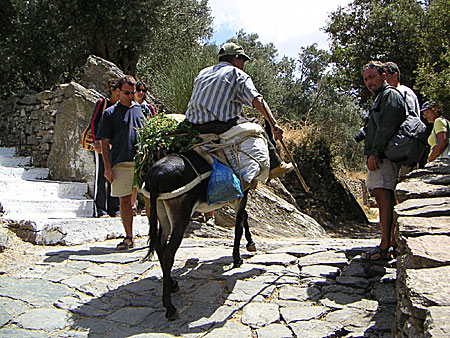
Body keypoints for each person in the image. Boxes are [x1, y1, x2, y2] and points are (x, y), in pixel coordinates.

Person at [185, 42, 293, 180]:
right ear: (236, 58)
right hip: (217, 126)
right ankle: (275, 165)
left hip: (193, 124)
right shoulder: (237, 73)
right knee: (256, 124)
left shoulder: (203, 72)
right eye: (242, 60)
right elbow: (257, 101)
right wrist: (274, 125)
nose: (243, 64)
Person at [97, 75, 150, 249]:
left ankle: (155, 234)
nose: (130, 96)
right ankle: (129, 237)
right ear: (118, 92)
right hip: (121, 162)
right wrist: (107, 167)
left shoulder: (143, 111)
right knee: (125, 201)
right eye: (127, 92)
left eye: (132, 92)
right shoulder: (109, 114)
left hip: (142, 162)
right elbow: (104, 142)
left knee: (150, 198)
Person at [361, 61, 407, 261]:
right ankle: (388, 243)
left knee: (384, 197)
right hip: (383, 155)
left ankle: (385, 245)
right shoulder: (383, 96)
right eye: (366, 79)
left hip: (385, 157)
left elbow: (386, 127)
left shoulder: (389, 96)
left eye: (372, 77)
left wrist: (375, 153)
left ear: (383, 76)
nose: (369, 82)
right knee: (382, 198)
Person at [90, 78, 120, 218]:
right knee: (101, 176)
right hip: (101, 147)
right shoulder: (102, 104)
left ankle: (114, 208)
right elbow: (94, 122)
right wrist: (97, 141)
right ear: (112, 91)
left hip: (115, 147)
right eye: (117, 91)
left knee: (115, 176)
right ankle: (100, 209)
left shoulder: (121, 106)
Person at [131, 80, 156, 215]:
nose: (140, 93)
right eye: (138, 90)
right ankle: (132, 205)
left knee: (146, 174)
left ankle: (148, 207)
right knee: (134, 174)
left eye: (143, 91)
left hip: (145, 144)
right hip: (133, 144)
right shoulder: (130, 107)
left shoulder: (149, 108)